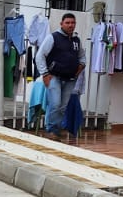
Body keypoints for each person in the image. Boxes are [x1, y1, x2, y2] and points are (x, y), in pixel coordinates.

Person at [35, 13, 85, 141]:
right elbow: (40, 56)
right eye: (67, 23)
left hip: (70, 79)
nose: (70, 25)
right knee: (55, 104)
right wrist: (45, 74)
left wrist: (79, 69)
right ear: (61, 24)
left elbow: (82, 57)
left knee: (63, 107)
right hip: (54, 77)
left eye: (72, 23)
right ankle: (51, 130)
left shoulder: (76, 40)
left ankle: (56, 131)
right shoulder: (53, 37)